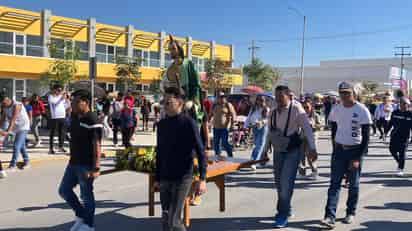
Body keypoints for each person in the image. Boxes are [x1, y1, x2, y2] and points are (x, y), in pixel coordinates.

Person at [153, 87, 207, 231]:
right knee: (166, 217)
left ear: (180, 103)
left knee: (174, 220)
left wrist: (202, 179)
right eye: (164, 101)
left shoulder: (189, 123)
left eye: (169, 101)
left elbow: (201, 151)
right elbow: (160, 153)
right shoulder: (162, 124)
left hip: (182, 177)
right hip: (165, 177)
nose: (165, 104)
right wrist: (157, 178)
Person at [321, 81, 372, 229]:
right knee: (334, 184)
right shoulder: (336, 109)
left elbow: (366, 136)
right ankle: (329, 216)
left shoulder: (362, 110)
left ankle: (351, 212)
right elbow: (334, 130)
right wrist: (334, 147)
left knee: (353, 185)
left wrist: (357, 157)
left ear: (353, 93)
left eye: (347, 93)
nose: (344, 96)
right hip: (339, 151)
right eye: (342, 93)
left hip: (355, 150)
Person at [268, 86, 317, 228]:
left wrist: (312, 149)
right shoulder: (273, 111)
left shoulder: (297, 109)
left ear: (289, 96)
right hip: (278, 150)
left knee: (285, 183)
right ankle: (287, 209)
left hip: (292, 151)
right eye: (276, 97)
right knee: (279, 183)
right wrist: (265, 150)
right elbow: (269, 131)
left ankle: (282, 214)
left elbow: (307, 128)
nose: (278, 100)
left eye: (281, 97)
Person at [58, 89, 102, 231]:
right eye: (73, 102)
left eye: (77, 102)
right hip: (73, 162)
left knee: (86, 195)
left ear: (86, 102)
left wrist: (96, 168)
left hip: (86, 164)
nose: (74, 105)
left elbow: (97, 145)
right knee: (64, 190)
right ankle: (82, 215)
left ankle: (89, 225)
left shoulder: (93, 119)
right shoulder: (74, 116)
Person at [0, 97, 31, 171]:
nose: (3, 105)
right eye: (2, 104)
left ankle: (13, 165)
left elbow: (13, 119)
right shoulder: (5, 107)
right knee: (21, 146)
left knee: (16, 146)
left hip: (23, 127)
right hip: (16, 128)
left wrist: (8, 131)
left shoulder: (17, 105)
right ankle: (27, 162)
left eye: (4, 103)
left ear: (8, 100)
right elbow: (2, 119)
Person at [385, 97, 412, 177]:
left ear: (408, 105)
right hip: (394, 135)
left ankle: (400, 169)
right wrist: (385, 132)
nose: (402, 105)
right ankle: (400, 161)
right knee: (392, 150)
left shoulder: (410, 114)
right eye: (401, 103)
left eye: (404, 103)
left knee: (402, 153)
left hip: (405, 137)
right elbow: (390, 123)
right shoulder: (395, 112)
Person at [245, 95, 270, 171]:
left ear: (265, 102)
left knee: (260, 145)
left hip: (263, 128)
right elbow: (249, 117)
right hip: (254, 128)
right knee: (257, 145)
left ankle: (254, 162)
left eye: (262, 100)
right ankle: (254, 159)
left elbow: (267, 119)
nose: (260, 102)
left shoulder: (266, 109)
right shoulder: (253, 108)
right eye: (259, 100)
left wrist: (261, 122)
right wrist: (246, 125)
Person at [298, 100, 321, 179]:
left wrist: (314, 125)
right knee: (301, 155)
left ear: (311, 107)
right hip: (302, 136)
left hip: (312, 136)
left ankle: (314, 171)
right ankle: (302, 173)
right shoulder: (301, 115)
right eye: (303, 107)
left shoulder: (316, 115)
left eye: (307, 107)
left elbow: (321, 126)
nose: (305, 109)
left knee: (309, 155)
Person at [210, 92, 236, 158]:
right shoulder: (214, 105)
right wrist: (208, 122)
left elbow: (233, 115)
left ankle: (230, 154)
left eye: (223, 97)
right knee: (216, 143)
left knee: (224, 142)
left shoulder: (228, 105)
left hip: (225, 127)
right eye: (219, 97)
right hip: (216, 127)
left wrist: (232, 125)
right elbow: (210, 115)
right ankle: (218, 155)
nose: (221, 98)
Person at [48, 84, 67, 154]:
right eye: (58, 90)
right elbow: (55, 104)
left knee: (62, 133)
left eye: (60, 90)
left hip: (62, 116)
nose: (59, 91)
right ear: (54, 90)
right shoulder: (51, 97)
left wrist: (67, 101)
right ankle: (51, 148)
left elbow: (64, 105)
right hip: (55, 117)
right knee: (52, 133)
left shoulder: (60, 97)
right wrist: (61, 99)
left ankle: (61, 147)